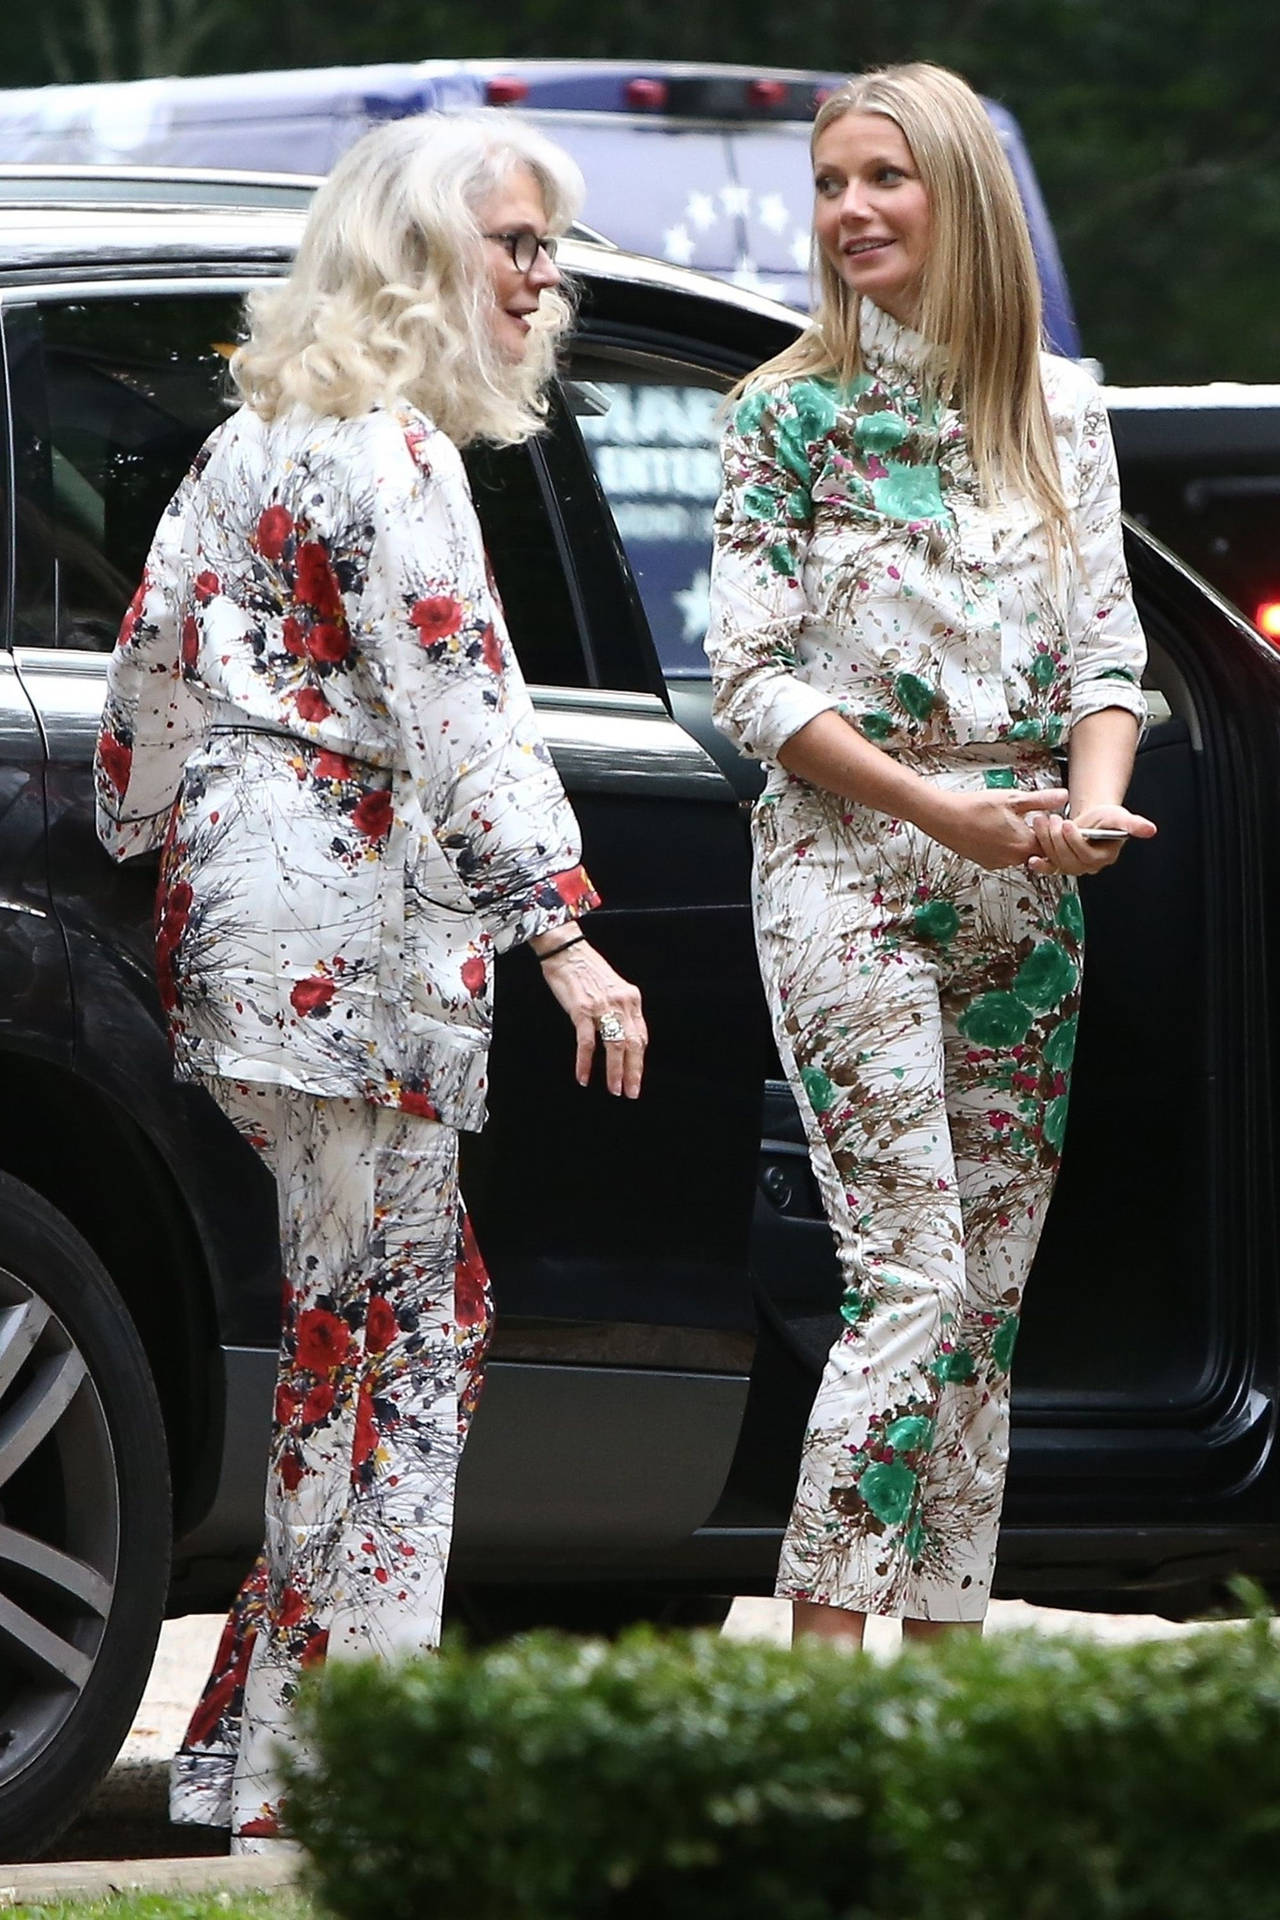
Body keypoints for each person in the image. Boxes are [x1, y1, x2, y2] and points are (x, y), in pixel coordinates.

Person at [94, 110, 647, 1849]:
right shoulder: (394, 455)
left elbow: (147, 684)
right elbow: (461, 704)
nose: (543, 281)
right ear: (422, 258)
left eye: (547, 249)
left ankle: (261, 1757)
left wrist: (156, 835)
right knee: (396, 1336)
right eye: (517, 246)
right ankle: (340, 1770)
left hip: (258, 940)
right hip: (358, 952)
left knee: (389, 1321)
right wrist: (564, 932)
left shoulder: (254, 442)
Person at [705, 62, 1154, 1648]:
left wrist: (1088, 803)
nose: (849, 211)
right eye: (830, 184)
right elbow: (751, 679)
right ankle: (820, 1682)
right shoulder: (784, 410)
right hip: (848, 865)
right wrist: (938, 808)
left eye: (882, 178)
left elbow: (1110, 655)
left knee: (984, 1311)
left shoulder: (1062, 406)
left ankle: (948, 1688)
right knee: (907, 1285)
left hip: (1029, 880)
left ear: (958, 195)